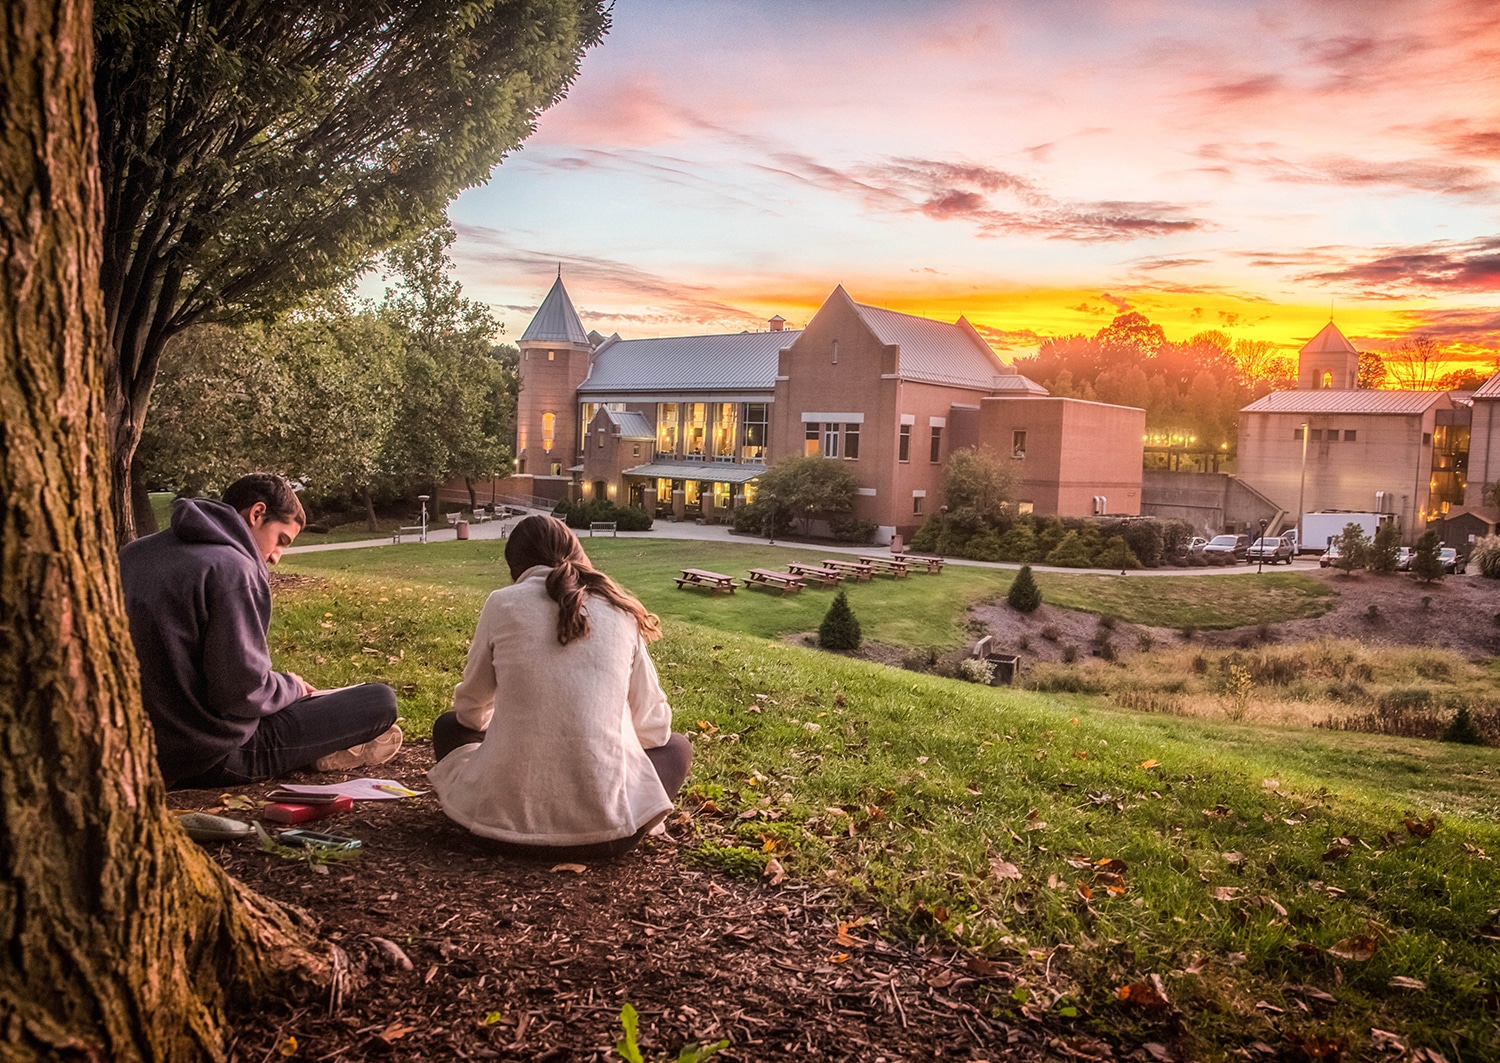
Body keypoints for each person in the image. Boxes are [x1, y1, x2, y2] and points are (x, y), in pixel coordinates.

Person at [428, 515, 691, 859]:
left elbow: (470, 712)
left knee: (448, 726)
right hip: (610, 835)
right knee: (677, 748)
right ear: (578, 552)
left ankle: (500, 800)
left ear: (516, 567)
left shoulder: (502, 603)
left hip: (494, 831)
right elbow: (654, 730)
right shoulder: (620, 612)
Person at [120, 474, 402, 788]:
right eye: (281, 540)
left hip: (131, 749)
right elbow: (242, 694)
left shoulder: (134, 554)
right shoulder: (234, 570)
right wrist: (292, 686)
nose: (276, 557)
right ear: (256, 514)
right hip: (207, 754)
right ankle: (322, 748)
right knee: (378, 701)